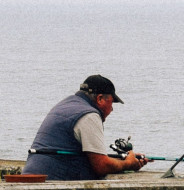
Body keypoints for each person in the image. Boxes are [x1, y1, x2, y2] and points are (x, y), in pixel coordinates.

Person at [22, 75, 151, 180]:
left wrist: (120, 158)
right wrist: (128, 163)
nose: (112, 109)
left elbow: (87, 156)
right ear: (100, 99)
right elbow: (101, 166)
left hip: (31, 176)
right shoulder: (89, 115)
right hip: (52, 183)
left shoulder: (65, 104)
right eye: (111, 102)